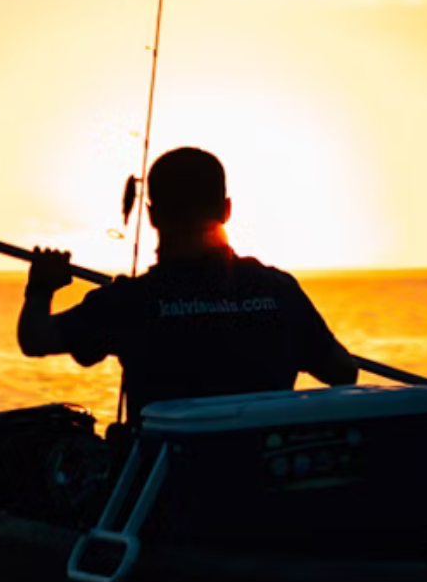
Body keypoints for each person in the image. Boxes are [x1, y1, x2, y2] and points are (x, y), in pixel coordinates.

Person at [18, 145, 359, 418]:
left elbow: (34, 338)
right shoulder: (281, 292)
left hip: (163, 495)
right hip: (263, 487)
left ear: (152, 215)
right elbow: (343, 371)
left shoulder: (129, 303)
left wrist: (41, 287)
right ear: (226, 210)